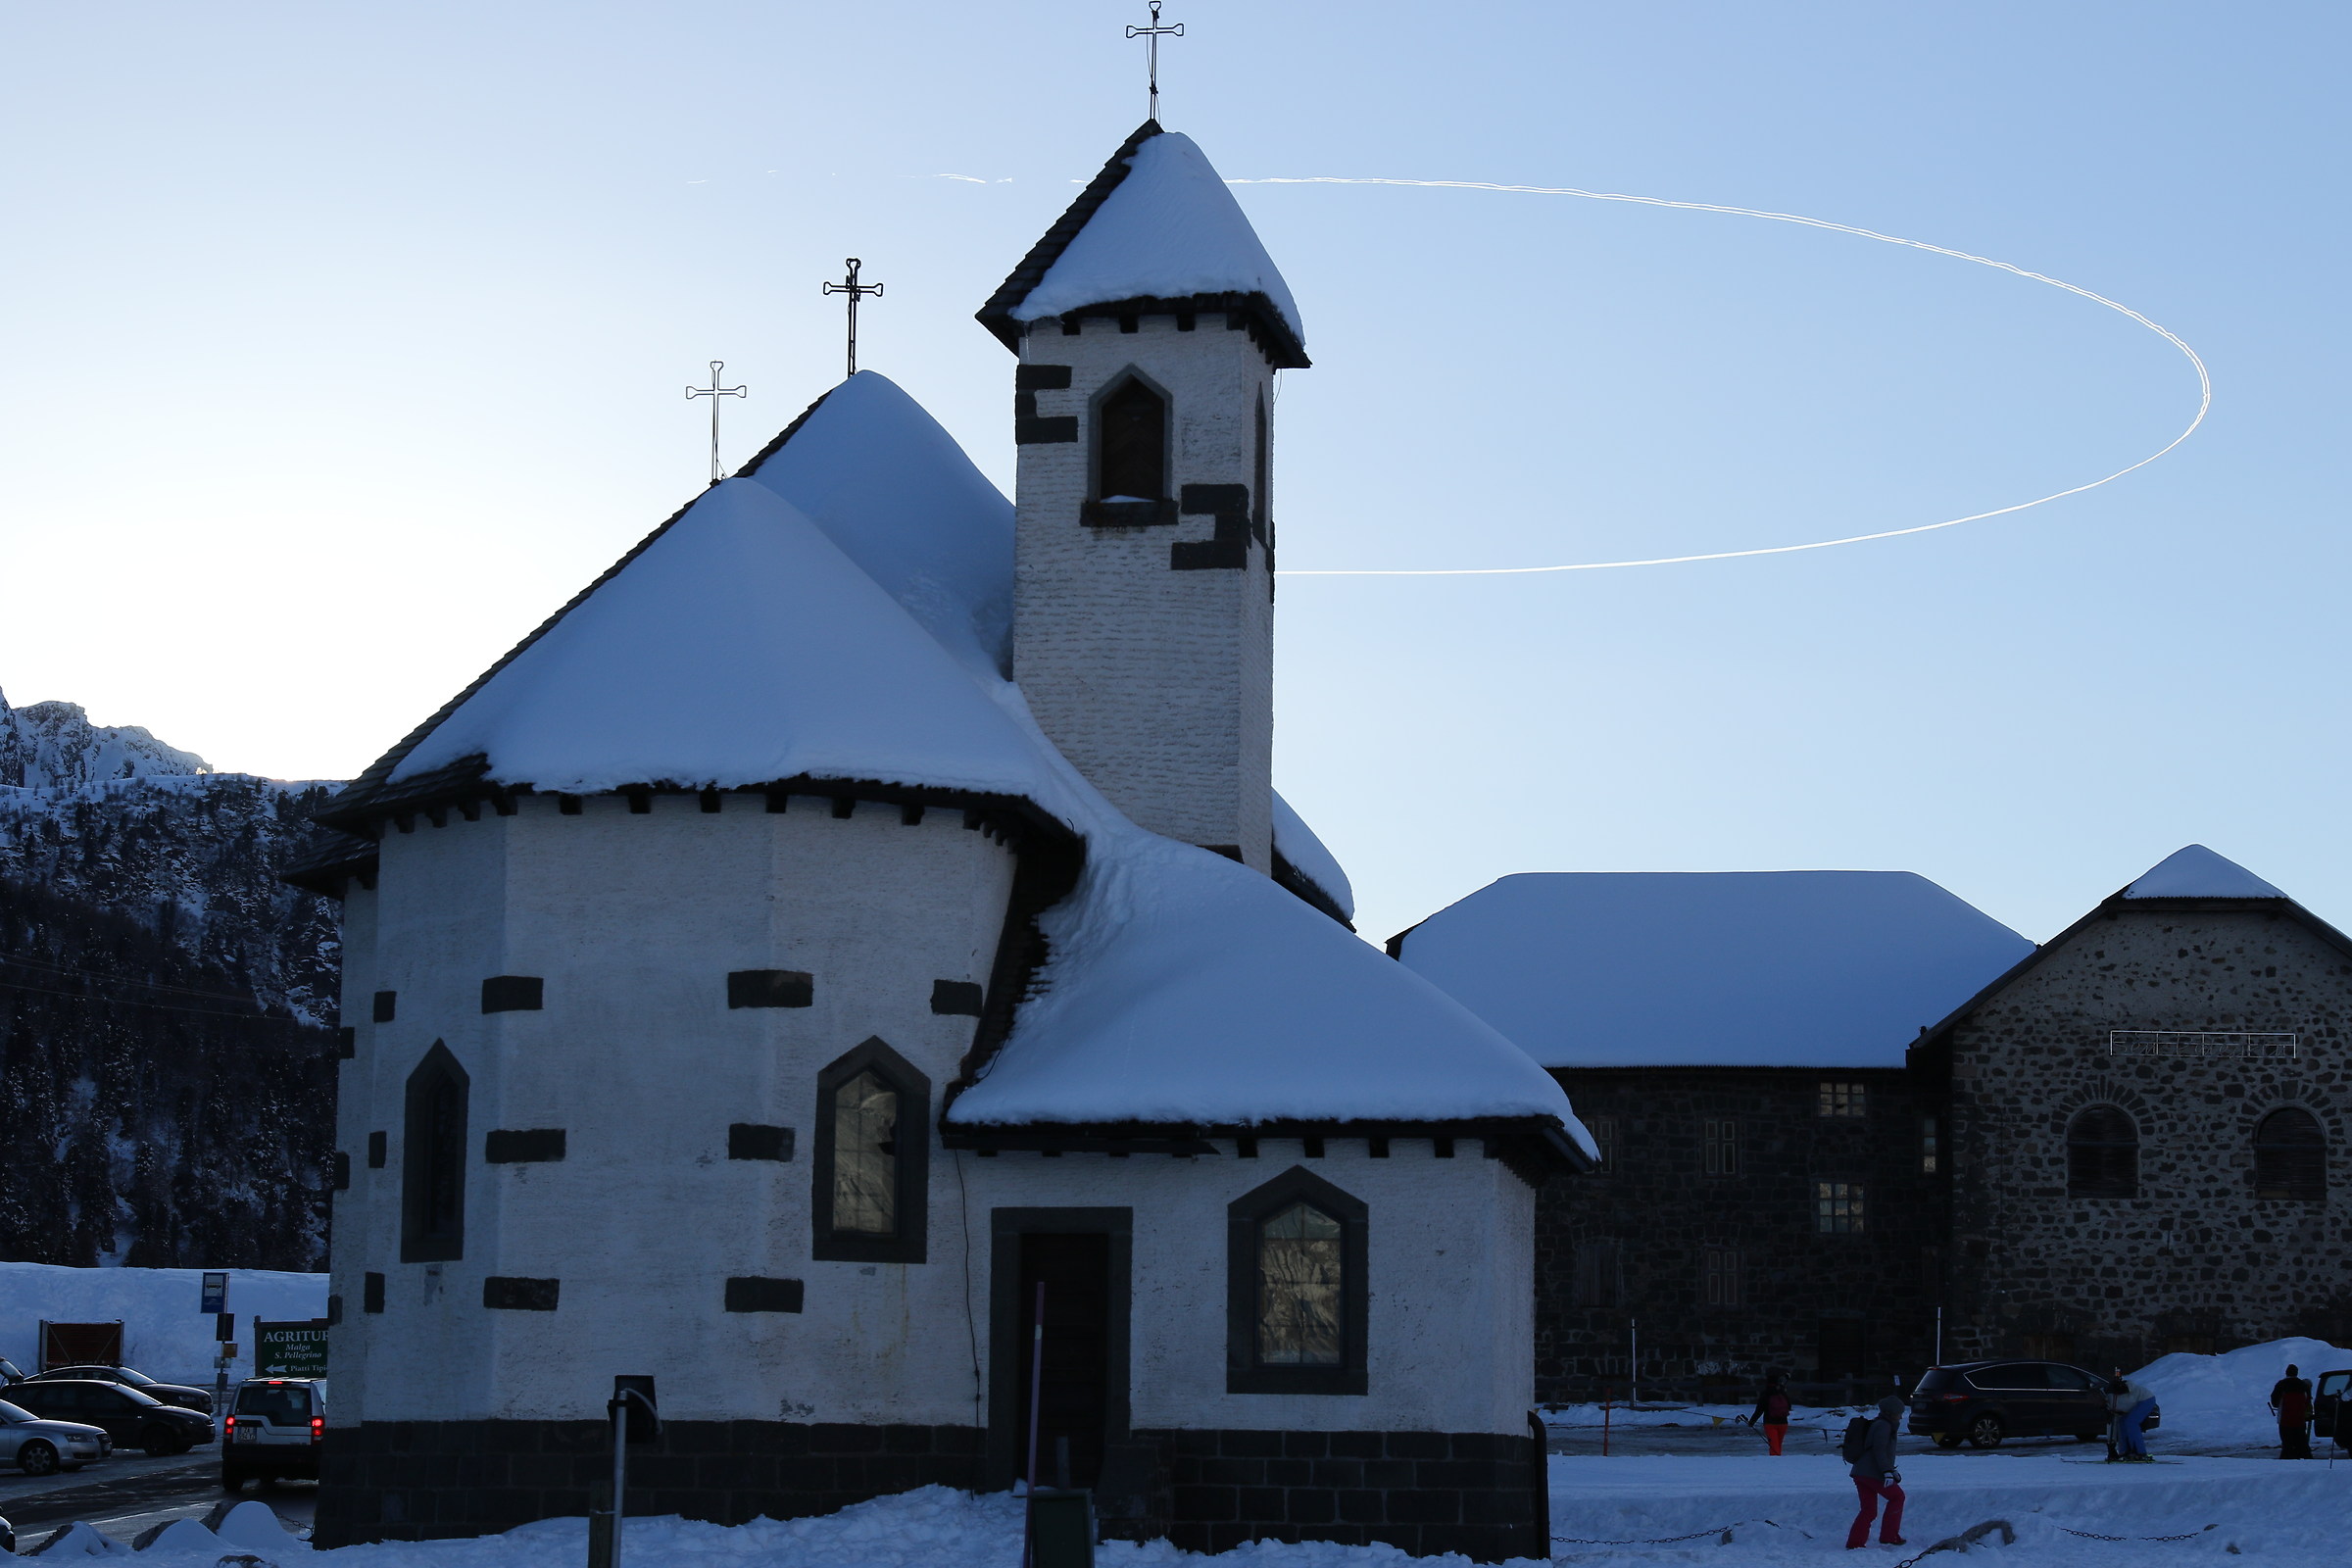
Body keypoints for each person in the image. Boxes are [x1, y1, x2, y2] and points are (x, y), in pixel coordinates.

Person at [1845, 1394, 1908, 1550]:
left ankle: (1855, 1543)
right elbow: (1879, 1450)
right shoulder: (1884, 1426)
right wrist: (1887, 1471)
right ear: (1891, 1413)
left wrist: (1891, 1471)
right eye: (1899, 1413)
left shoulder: (1879, 1423)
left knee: (1868, 1510)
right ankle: (1889, 1536)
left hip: (1861, 1472)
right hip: (1872, 1473)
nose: (1901, 1417)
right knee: (1897, 1497)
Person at [2109, 1370, 2156, 1462]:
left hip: (2146, 1399)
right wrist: (2111, 1448)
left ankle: (2140, 1452)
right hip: (2135, 1401)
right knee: (2122, 1422)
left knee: (2131, 1422)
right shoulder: (2108, 1401)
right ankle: (2124, 1451)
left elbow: (2130, 1387)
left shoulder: (2116, 1391)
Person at [2271, 1364, 2313, 1459]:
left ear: (2286, 1372)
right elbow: (2308, 1401)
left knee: (2287, 1443)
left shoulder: (2281, 1384)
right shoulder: (2303, 1385)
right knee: (2302, 1443)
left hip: (2285, 1419)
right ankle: (2306, 1460)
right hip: (2300, 1419)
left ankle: (2287, 1461)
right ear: (2297, 1373)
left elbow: (2275, 1402)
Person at [1744, 1375, 1793, 1456]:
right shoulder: (1782, 1392)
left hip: (1770, 1423)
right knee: (1778, 1444)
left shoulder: (1766, 1393)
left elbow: (1759, 1410)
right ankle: (1778, 1460)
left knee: (1773, 1446)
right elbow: (1789, 1406)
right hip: (1783, 1423)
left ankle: (1774, 1464)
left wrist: (1752, 1422)